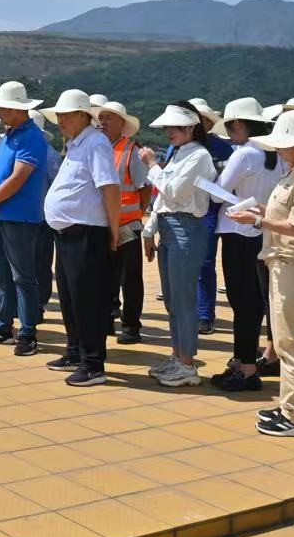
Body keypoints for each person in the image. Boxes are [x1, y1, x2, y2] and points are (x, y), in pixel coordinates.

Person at [227, 109, 294, 437]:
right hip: (287, 264)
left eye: (283, 144)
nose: (277, 149)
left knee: (293, 342)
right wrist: (261, 210)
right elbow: (289, 214)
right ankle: (290, 406)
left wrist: (257, 220)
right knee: (288, 340)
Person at [41, 90, 121, 385]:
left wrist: (114, 229)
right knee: (70, 296)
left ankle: (93, 363)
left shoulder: (96, 143)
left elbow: (109, 187)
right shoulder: (77, 143)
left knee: (87, 300)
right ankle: (75, 351)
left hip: (86, 231)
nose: (60, 120)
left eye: (65, 115)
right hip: (68, 233)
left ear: (81, 115)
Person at [208, 98, 284, 392]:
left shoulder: (244, 154)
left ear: (238, 124)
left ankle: (246, 368)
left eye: (229, 127)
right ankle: (246, 361)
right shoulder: (275, 154)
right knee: (255, 300)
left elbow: (217, 194)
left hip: (237, 230)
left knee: (242, 302)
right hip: (262, 230)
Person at [140, 102, 217, 387]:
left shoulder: (199, 155)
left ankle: (186, 363)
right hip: (170, 227)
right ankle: (179, 356)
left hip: (186, 228)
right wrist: (150, 230)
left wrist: (152, 165)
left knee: (183, 299)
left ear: (191, 128)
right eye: (168, 127)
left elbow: (173, 192)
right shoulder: (180, 153)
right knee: (173, 299)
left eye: (176, 127)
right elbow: (162, 199)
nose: (169, 132)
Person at [0, 81, 47, 356]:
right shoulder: (9, 135)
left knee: (22, 276)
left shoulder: (32, 137)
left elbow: (19, 177)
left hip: (19, 216)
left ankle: (28, 333)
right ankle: (2, 326)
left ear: (17, 109)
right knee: (2, 273)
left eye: (3, 108)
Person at [92, 100, 148, 344]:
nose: (103, 122)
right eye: (101, 117)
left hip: (126, 225)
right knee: (104, 276)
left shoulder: (131, 150)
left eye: (109, 118)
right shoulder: (96, 146)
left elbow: (144, 188)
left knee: (130, 278)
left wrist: (137, 214)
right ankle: (105, 321)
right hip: (100, 223)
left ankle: (131, 326)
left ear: (122, 123)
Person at [187, 97, 233, 334]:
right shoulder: (179, 146)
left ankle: (205, 315)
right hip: (185, 212)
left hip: (210, 212)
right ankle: (190, 311)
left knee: (205, 263)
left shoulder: (222, 149)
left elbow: (227, 185)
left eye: (201, 120)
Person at [32, 109, 63, 319]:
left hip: (41, 219)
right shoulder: (48, 153)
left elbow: (55, 187)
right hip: (30, 217)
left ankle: (38, 304)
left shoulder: (49, 155)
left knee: (40, 262)